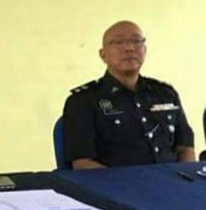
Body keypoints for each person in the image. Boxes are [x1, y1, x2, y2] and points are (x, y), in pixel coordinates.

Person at [63, 21, 195, 169]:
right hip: (115, 187)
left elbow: (185, 149)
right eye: (119, 42)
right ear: (103, 55)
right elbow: (82, 163)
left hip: (172, 184)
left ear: (144, 50)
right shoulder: (83, 100)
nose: (129, 48)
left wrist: (184, 180)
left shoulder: (165, 94)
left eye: (136, 41)